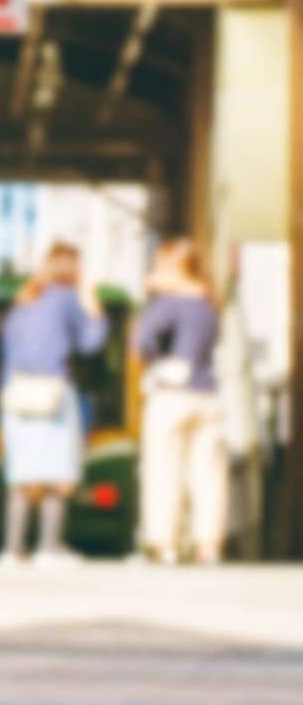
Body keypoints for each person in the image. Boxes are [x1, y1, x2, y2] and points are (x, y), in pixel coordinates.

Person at [0, 241, 108, 565]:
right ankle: (48, 547)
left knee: (22, 476)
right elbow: (91, 343)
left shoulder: (24, 302)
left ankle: (12, 548)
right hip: (54, 394)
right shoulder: (67, 298)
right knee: (57, 474)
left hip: (17, 395)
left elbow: (8, 356)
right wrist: (95, 310)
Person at [135, 237, 224, 565]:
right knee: (207, 473)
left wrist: (155, 360)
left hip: (171, 395)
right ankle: (208, 545)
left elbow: (142, 340)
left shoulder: (170, 303)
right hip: (208, 394)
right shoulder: (209, 302)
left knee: (163, 469)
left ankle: (165, 543)